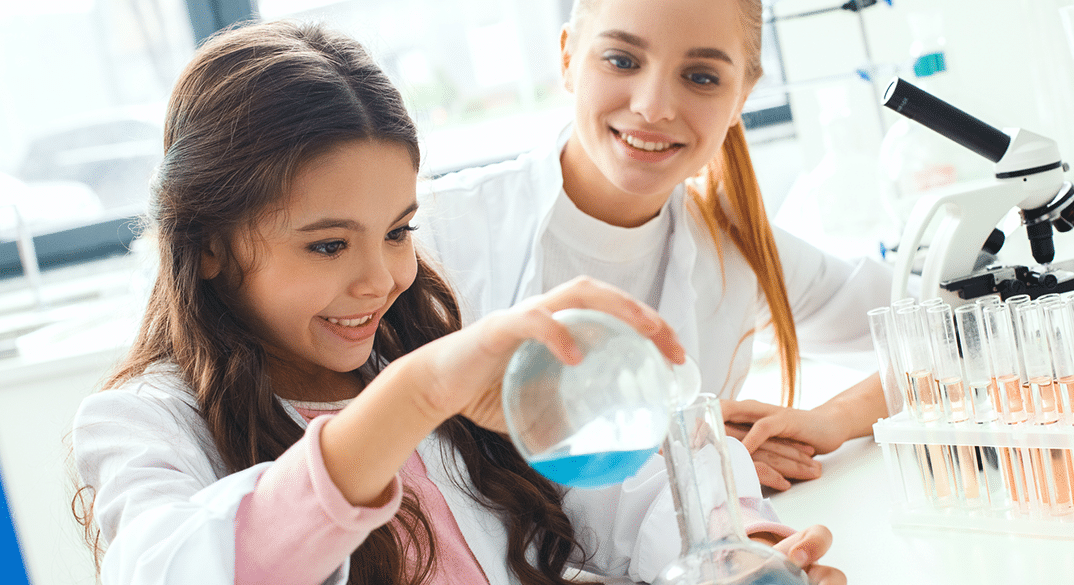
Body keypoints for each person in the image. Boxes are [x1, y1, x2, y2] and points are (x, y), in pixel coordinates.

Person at [70, 21, 846, 585]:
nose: (380, 279)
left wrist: (741, 544)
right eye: (329, 245)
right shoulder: (144, 422)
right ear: (207, 244)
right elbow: (178, 569)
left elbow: (616, 488)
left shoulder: (415, 356)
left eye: (399, 231)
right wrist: (413, 395)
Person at [417, 0, 892, 492]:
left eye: (702, 77)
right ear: (567, 59)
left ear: (742, 97)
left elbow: (948, 333)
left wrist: (834, 419)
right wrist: (681, 452)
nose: (653, 106)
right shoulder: (433, 233)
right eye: (622, 61)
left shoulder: (734, 243)